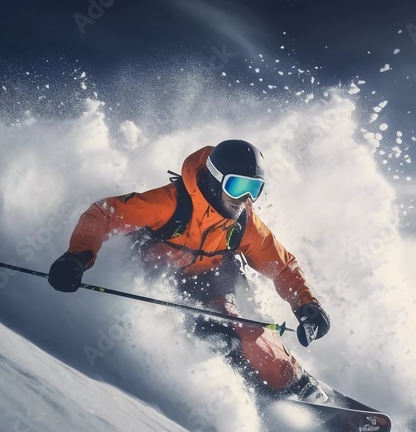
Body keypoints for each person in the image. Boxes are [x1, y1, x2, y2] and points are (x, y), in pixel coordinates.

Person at [48, 140, 331, 402]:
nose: (244, 198)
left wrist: (306, 305)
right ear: (214, 178)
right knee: (209, 333)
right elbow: (104, 214)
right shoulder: (170, 204)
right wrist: (76, 257)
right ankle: (236, 380)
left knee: (242, 329)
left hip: (214, 279)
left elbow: (280, 265)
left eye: (253, 188)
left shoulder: (243, 222)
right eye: (236, 186)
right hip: (162, 276)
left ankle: (295, 382)